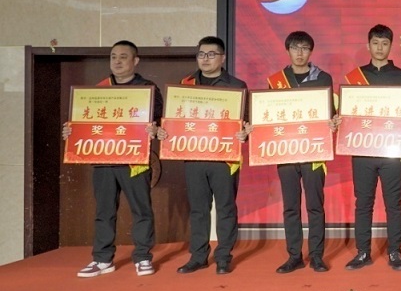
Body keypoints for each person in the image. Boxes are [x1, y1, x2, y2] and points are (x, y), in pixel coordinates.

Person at [66, 40, 163, 278]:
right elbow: (85, 123)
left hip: (134, 161)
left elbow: (161, 120)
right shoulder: (99, 90)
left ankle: (143, 257)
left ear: (135, 61)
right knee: (104, 211)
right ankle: (102, 259)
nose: (117, 62)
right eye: (113, 57)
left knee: (141, 209)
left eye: (123, 57)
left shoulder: (147, 88)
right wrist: (72, 131)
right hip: (104, 160)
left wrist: (155, 128)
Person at [157, 36, 247, 275]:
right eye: (201, 54)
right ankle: (198, 256)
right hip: (194, 156)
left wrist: (245, 133)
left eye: (211, 54)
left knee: (226, 208)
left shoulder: (236, 86)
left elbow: (247, 122)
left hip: (224, 158)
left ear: (222, 58)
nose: (205, 59)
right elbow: (173, 119)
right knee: (198, 209)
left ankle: (224, 257)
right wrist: (165, 131)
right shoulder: (184, 85)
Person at [344, 24, 401, 272]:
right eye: (375, 43)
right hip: (363, 152)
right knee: (363, 203)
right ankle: (363, 252)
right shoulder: (355, 78)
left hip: (392, 152)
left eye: (384, 43)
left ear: (390, 46)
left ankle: (395, 251)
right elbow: (348, 114)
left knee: (394, 203)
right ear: (368, 45)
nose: (380, 48)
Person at [266, 31, 334, 274]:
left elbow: (331, 111)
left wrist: (333, 121)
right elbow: (269, 115)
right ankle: (294, 256)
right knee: (291, 206)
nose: (300, 53)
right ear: (288, 50)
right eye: (295, 48)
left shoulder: (323, 78)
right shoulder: (276, 81)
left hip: (314, 151)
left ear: (311, 52)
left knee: (315, 205)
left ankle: (316, 256)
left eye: (305, 48)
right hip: (286, 153)